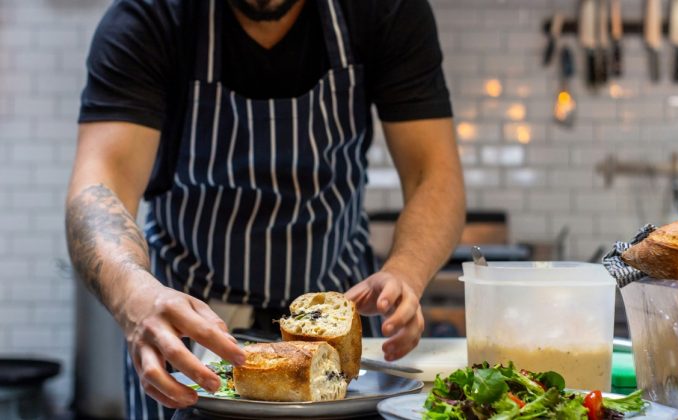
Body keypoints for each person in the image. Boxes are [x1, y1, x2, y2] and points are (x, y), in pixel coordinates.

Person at [65, 0, 465, 418]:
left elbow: (434, 175)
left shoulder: (384, 10)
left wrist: (406, 271)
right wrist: (134, 293)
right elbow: (98, 187)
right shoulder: (151, 16)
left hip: (335, 355)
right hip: (186, 339)